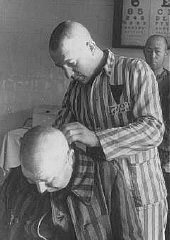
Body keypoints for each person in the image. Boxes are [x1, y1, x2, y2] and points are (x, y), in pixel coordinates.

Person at [49, 20, 167, 240]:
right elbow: (58, 131)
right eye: (61, 67)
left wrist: (96, 138)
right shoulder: (75, 89)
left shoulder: (135, 70)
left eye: (71, 63)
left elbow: (153, 129)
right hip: (101, 204)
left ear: (90, 46)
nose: (68, 74)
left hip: (140, 196)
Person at [0, 126, 144, 240]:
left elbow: (131, 237)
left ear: (70, 158)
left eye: (48, 181)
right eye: (30, 180)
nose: (40, 190)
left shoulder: (106, 176)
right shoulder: (14, 178)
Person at [144, 34, 170, 240]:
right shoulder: (134, 80)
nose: (152, 55)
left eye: (158, 51)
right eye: (149, 50)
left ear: (166, 54)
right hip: (142, 153)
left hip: (166, 154)